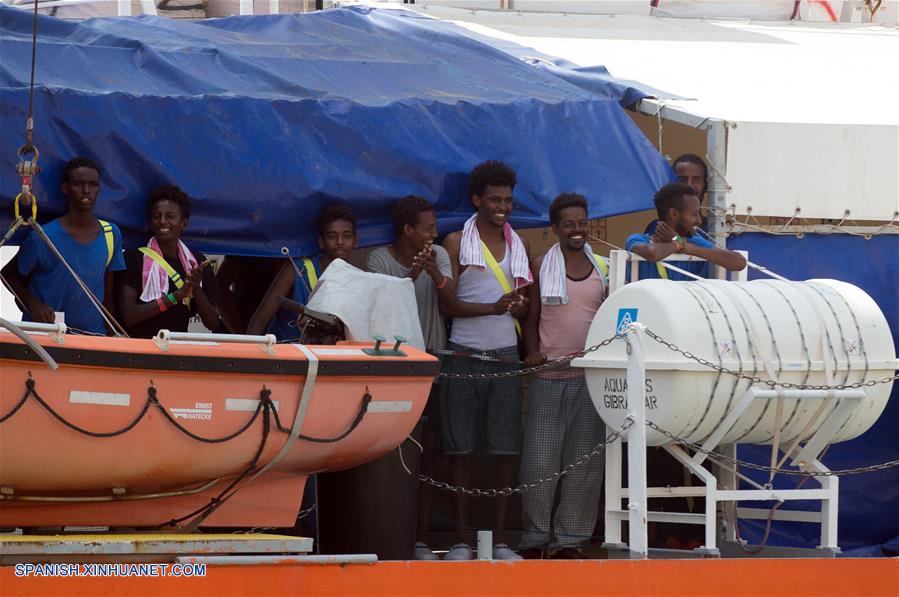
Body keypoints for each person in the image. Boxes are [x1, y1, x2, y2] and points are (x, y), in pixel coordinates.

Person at [438, 160, 532, 561]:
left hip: (506, 356)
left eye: (508, 200)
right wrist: (495, 307)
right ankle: (461, 540)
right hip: (460, 355)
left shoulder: (519, 244)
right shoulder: (455, 243)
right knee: (458, 452)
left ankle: (499, 541)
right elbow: (448, 304)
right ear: (476, 199)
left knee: (505, 452)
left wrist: (518, 307)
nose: (503, 207)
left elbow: (526, 310)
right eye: (495, 199)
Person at [365, 195, 455, 561]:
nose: (435, 234)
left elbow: (453, 303)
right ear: (407, 230)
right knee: (391, 452)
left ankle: (419, 539)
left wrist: (433, 274)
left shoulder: (441, 256)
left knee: (429, 454)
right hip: (394, 372)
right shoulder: (378, 259)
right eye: (428, 228)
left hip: (432, 368)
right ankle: (387, 536)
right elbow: (380, 307)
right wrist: (410, 277)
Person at [518, 193, 607, 559]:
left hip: (590, 379)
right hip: (548, 375)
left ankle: (570, 541)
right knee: (539, 462)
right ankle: (535, 539)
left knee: (584, 463)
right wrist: (531, 351)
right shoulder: (541, 265)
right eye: (568, 224)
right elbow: (532, 313)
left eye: (582, 222)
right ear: (555, 229)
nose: (577, 229)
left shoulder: (604, 267)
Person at [1, 156, 125, 335]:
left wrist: (112, 336)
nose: (86, 190)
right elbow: (8, 274)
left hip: (93, 336)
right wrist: (34, 304)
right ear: (65, 188)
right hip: (46, 335)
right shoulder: (43, 237)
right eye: (78, 184)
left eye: (93, 184)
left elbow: (107, 295)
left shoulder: (111, 234)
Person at [118, 185, 218, 338]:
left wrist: (195, 287)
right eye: (157, 216)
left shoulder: (197, 262)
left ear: (184, 223)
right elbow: (129, 316)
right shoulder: (133, 258)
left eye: (170, 216)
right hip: (140, 351)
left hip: (177, 352)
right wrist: (176, 296)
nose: (162, 221)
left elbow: (212, 323)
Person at [247, 204, 357, 338]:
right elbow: (261, 317)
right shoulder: (297, 268)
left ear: (355, 241)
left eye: (346, 236)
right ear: (321, 242)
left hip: (324, 356)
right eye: (332, 236)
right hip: (286, 353)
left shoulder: (355, 279)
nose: (340, 242)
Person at [627, 183, 746, 281]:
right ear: (673, 214)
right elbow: (653, 253)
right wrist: (677, 243)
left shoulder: (693, 242)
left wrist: (686, 247)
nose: (699, 221)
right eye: (694, 214)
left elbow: (739, 263)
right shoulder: (639, 239)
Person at [645, 154, 709, 236]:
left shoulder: (719, 229)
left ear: (705, 185)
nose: (689, 185)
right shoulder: (657, 227)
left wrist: (676, 240)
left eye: (696, 180)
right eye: (682, 179)